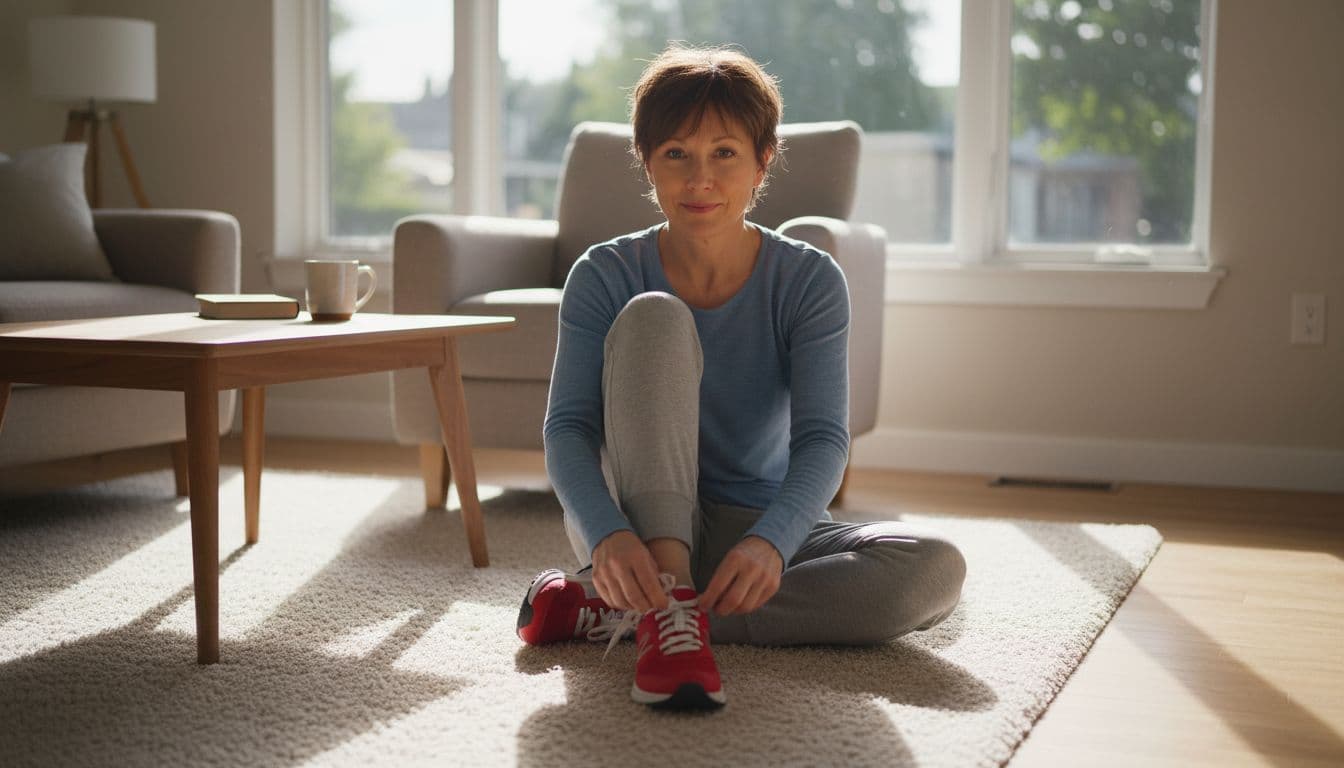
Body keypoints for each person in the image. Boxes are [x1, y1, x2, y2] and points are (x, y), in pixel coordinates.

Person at [515, 44, 967, 711]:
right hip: (635, 523)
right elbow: (569, 428)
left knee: (932, 569)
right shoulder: (603, 274)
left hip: (750, 522)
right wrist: (607, 534)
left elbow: (822, 440)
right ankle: (657, 600)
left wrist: (772, 545)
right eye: (676, 154)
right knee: (654, 318)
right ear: (647, 164)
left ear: (762, 163)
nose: (701, 178)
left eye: (724, 153)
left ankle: (633, 613)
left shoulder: (809, 279)